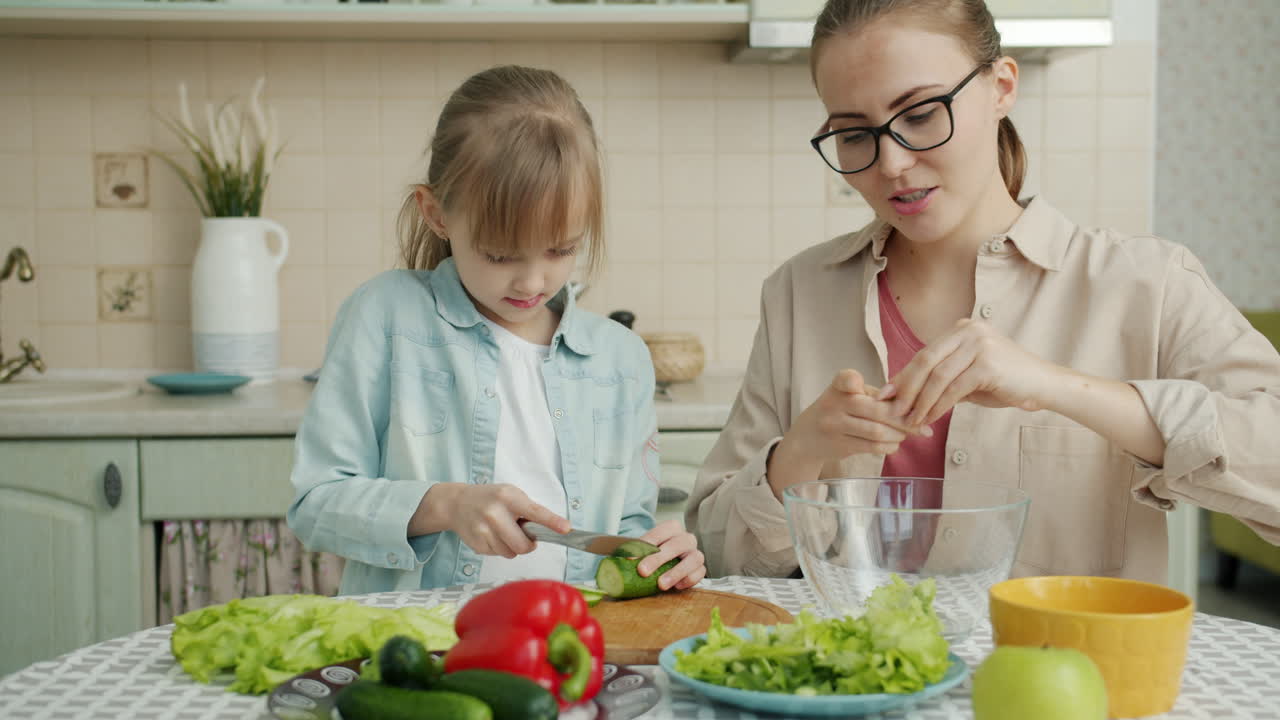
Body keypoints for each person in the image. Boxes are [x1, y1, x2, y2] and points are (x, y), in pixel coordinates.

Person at [687, 0, 1280, 583]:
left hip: (1065, 674)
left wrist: (1058, 387)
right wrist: (799, 452)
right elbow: (715, 554)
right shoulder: (799, 293)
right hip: (844, 679)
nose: (891, 163)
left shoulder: (1147, 284)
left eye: (920, 114)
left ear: (1001, 87)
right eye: (853, 134)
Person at [289, 65, 705, 594]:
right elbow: (316, 504)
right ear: (436, 214)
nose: (534, 280)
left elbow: (625, 529)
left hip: (569, 647)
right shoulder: (385, 316)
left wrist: (661, 557)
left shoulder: (620, 358)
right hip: (424, 649)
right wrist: (446, 504)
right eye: (500, 253)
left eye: (562, 249)